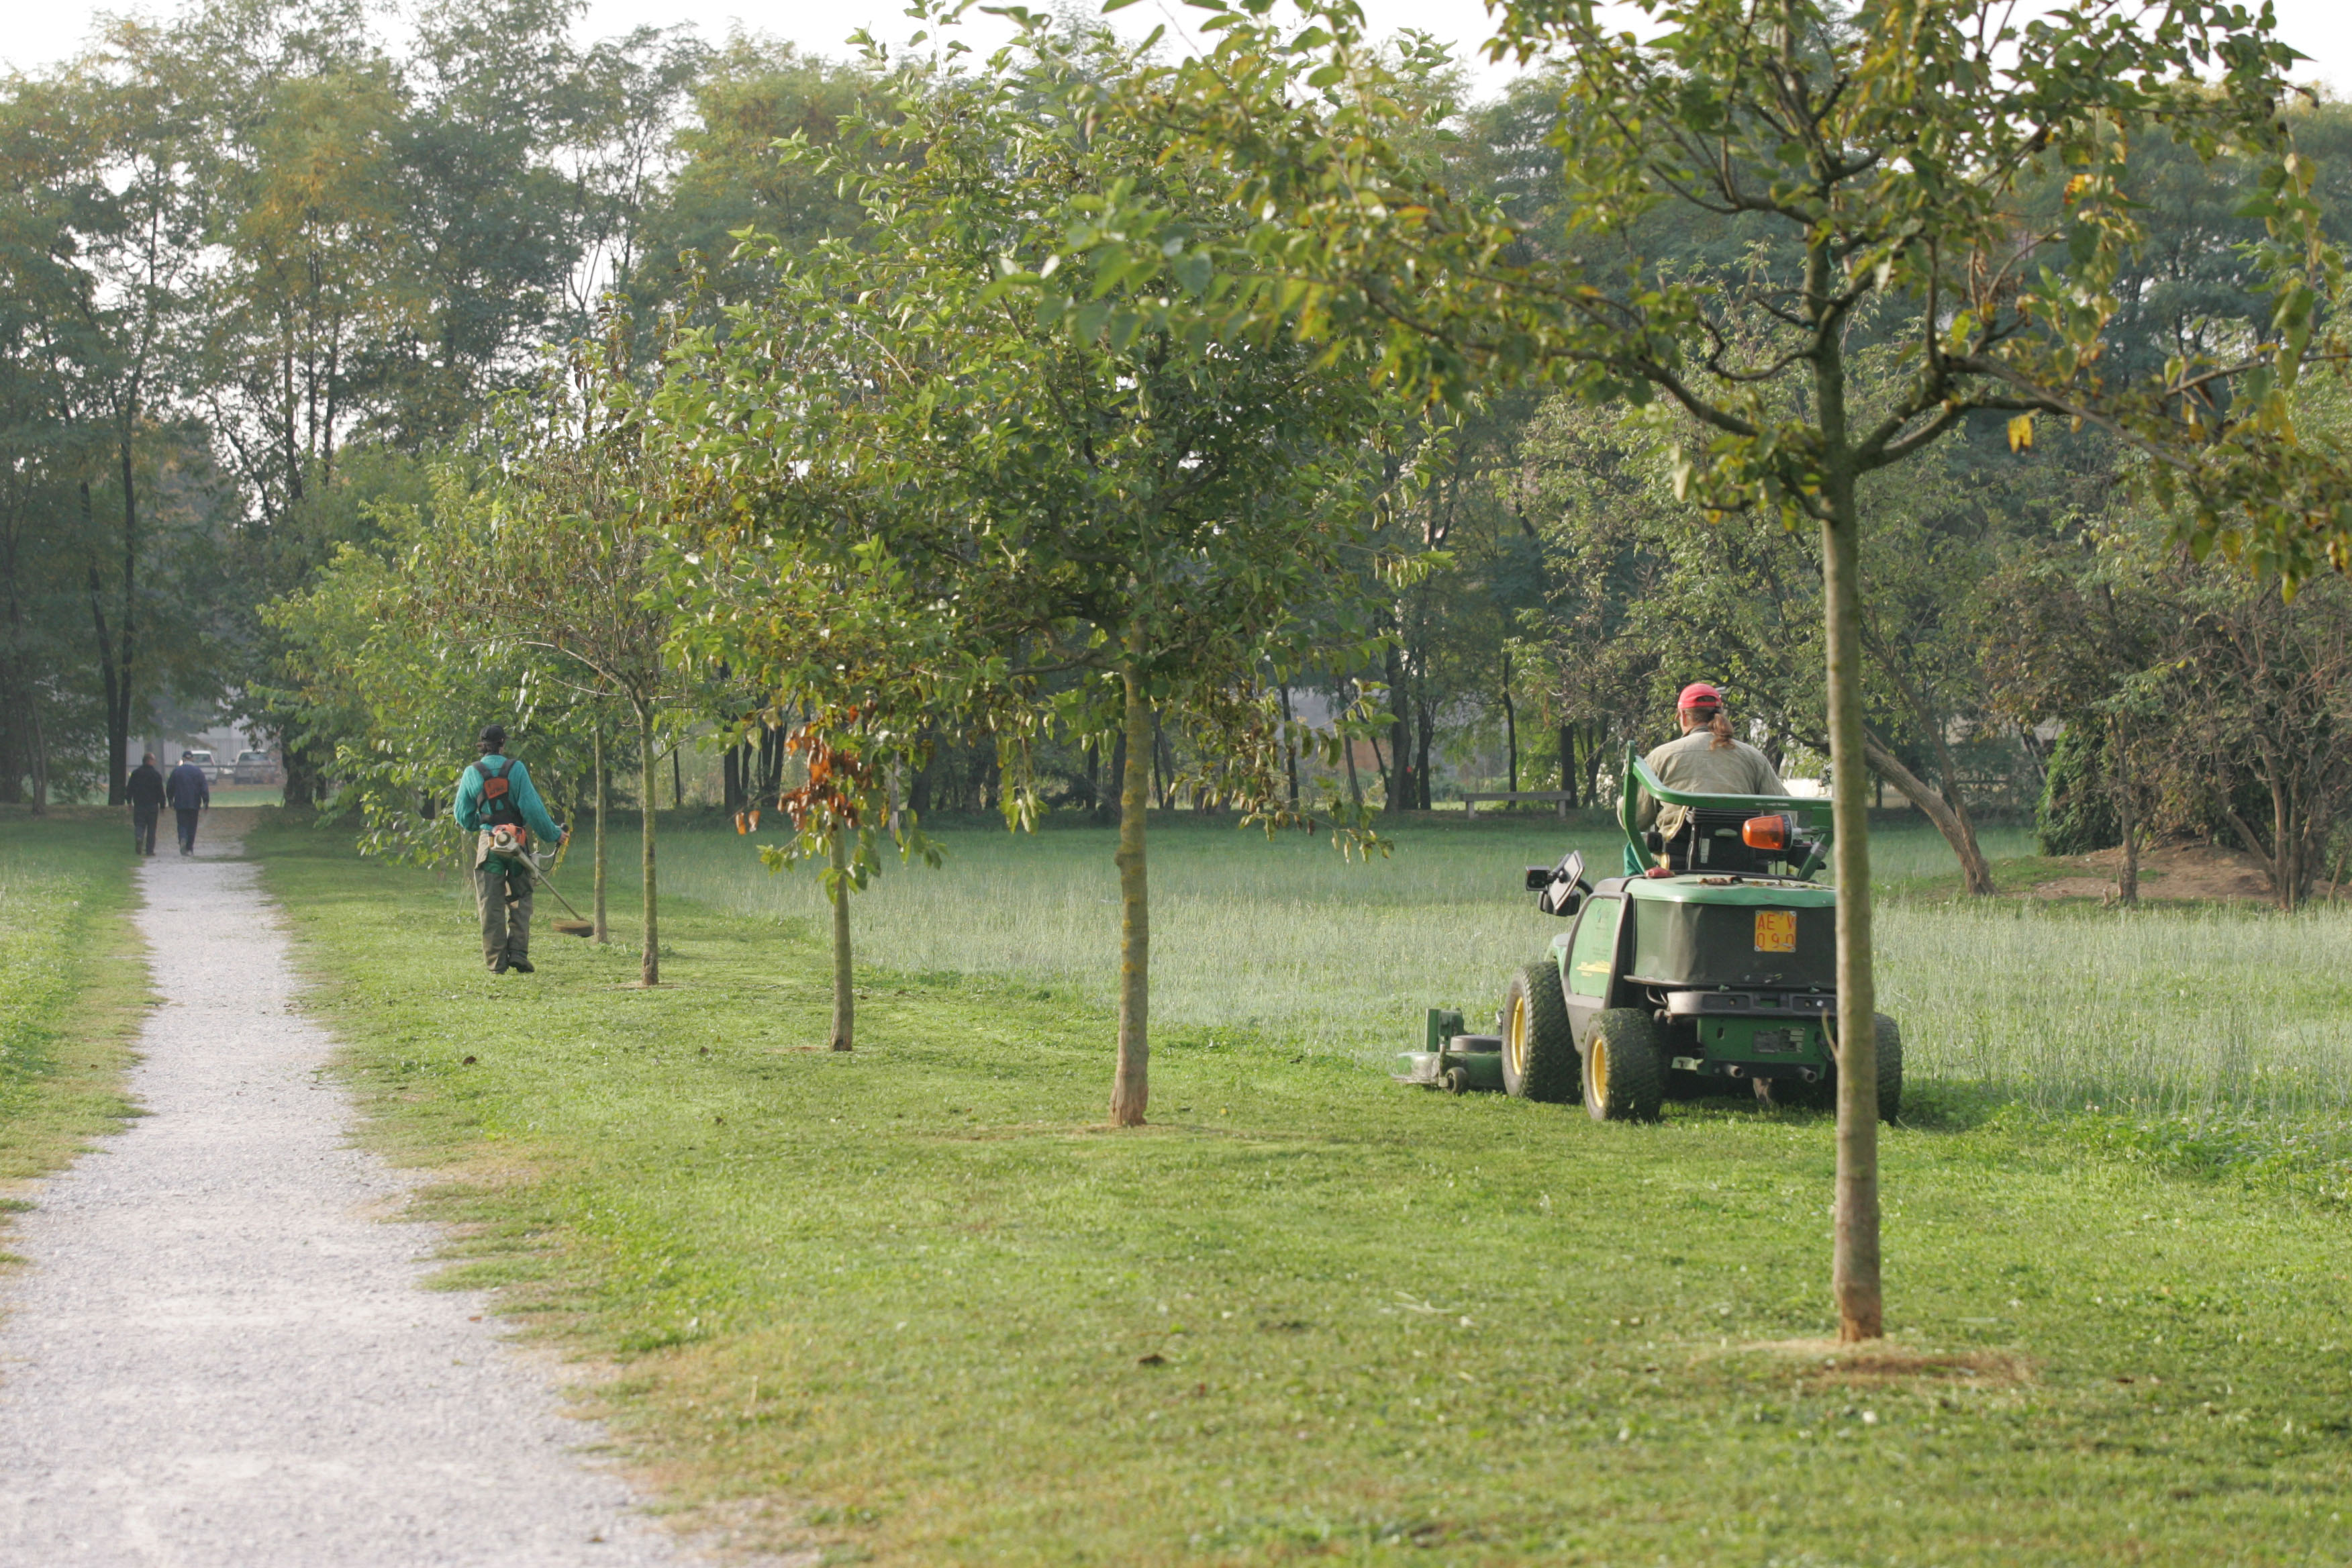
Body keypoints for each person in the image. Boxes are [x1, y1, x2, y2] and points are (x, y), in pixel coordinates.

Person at [452, 724, 566, 975]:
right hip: (517, 843)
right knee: (521, 897)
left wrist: (480, 826)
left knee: (490, 903)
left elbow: (462, 815)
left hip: (490, 845)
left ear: (482, 745)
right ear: (503, 744)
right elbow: (533, 809)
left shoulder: (472, 772)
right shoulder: (517, 769)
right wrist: (555, 834)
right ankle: (518, 953)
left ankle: (496, 963)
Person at [1634, 683, 1786, 851]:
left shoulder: (1662, 756)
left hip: (1676, 856)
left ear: (1683, 716)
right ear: (1720, 713)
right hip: (1743, 855)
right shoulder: (1754, 757)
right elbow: (1784, 814)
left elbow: (1636, 818)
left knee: (1632, 851)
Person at [166, 751, 211, 856]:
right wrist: (206, 801)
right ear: (193, 759)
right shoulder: (198, 772)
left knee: (182, 824)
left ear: (183, 759)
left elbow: (170, 787)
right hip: (194, 803)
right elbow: (204, 787)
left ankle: (182, 838)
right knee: (192, 825)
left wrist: (170, 800)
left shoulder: (177, 771)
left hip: (180, 802)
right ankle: (189, 847)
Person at [127, 753, 166, 855]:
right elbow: (160, 791)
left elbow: (130, 788)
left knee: (139, 824)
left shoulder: (136, 773)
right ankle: (149, 850)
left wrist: (129, 801)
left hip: (139, 804)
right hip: (152, 805)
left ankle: (139, 837)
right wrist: (162, 805)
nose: (155, 762)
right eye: (154, 760)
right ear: (150, 761)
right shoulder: (156, 775)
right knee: (152, 828)